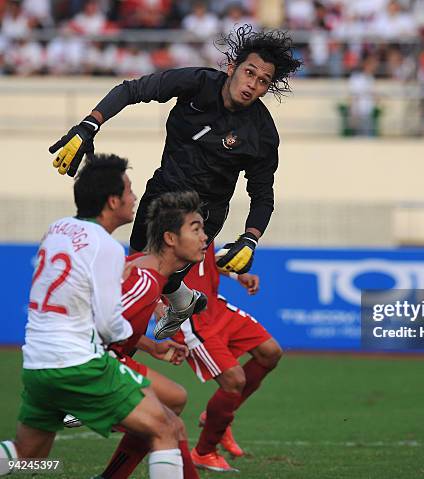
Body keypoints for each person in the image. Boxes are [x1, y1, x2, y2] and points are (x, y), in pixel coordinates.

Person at [49, 24, 302, 340]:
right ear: (232, 66)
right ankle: (182, 301)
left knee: (148, 276)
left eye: (263, 81)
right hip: (162, 192)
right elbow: (133, 89)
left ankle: (112, 348)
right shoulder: (197, 83)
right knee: (150, 272)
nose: (253, 84)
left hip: (204, 213)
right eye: (250, 73)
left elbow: (262, 194)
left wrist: (250, 239)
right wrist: (89, 126)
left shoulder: (262, 133)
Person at [0, 154, 184, 478]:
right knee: (166, 426)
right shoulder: (107, 247)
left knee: (25, 456)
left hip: (37, 364)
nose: (134, 197)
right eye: (128, 191)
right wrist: (143, 325)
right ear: (113, 201)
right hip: (77, 364)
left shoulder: (57, 228)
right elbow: (109, 326)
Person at [96, 190, 207, 479]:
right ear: (170, 238)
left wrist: (150, 346)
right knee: (167, 425)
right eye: (196, 230)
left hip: (110, 358)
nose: (205, 238)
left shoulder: (153, 273)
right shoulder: (144, 279)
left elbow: (113, 324)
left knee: (174, 399)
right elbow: (93, 325)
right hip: (90, 365)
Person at [172, 239, 282, 472]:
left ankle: (218, 415)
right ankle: (204, 452)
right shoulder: (167, 221)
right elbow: (153, 270)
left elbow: (205, 260)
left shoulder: (200, 217)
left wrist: (235, 275)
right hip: (190, 316)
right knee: (233, 381)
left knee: (270, 352)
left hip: (214, 306)